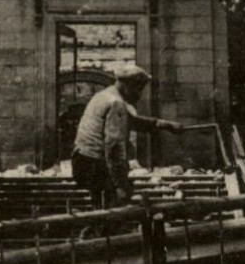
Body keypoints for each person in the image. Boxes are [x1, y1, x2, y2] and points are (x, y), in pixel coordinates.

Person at [71, 63, 184, 209]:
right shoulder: (116, 103)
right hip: (96, 165)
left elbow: (132, 122)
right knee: (115, 205)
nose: (139, 95)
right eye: (138, 89)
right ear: (127, 85)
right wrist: (119, 185)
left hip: (83, 161)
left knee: (101, 205)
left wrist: (165, 125)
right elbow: (114, 148)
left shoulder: (104, 95)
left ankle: (97, 226)